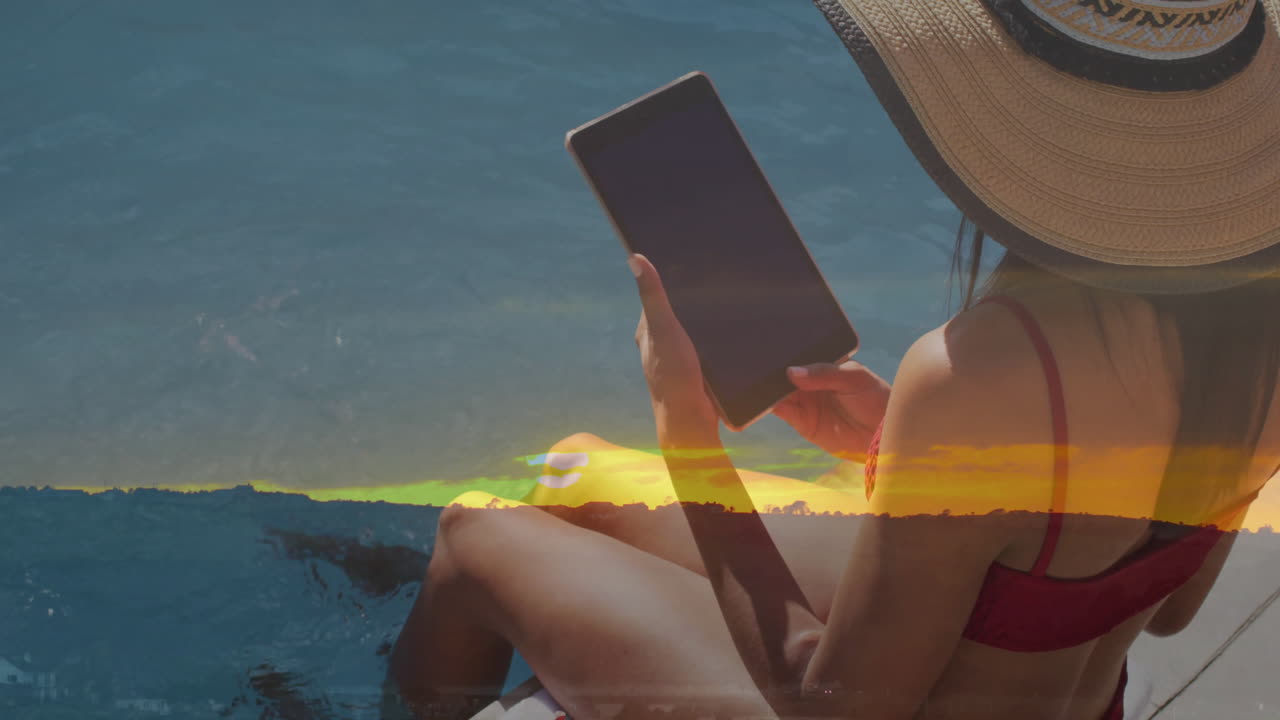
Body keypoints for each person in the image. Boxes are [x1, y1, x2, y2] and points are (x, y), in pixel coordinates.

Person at [387, 0, 1280, 718]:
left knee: (472, 532)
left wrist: (688, 434)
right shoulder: (1257, 329)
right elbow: (1166, 609)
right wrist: (917, 459)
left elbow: (828, 705)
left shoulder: (987, 370)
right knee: (571, 468)